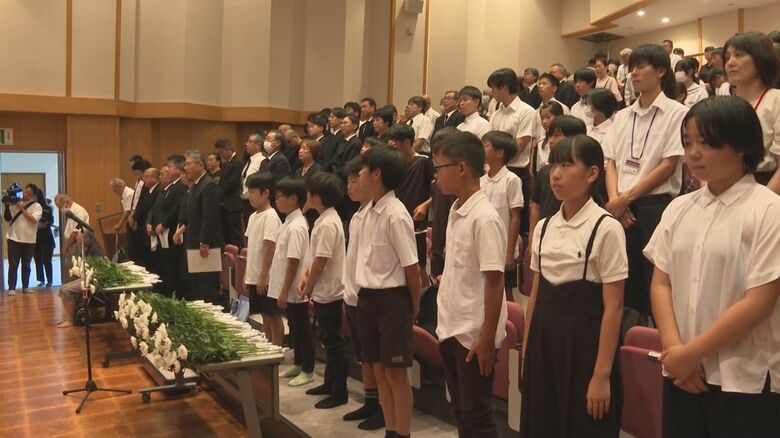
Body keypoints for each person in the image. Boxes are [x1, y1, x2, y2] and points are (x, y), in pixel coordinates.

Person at [643, 96, 780, 438]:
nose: (693, 153)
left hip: (743, 376)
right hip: (681, 372)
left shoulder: (768, 210)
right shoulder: (678, 208)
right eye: (688, 142)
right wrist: (676, 352)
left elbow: (760, 300)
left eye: (707, 142)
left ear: (740, 145)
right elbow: (662, 283)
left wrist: (692, 353)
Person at [521, 134, 627, 438]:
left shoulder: (606, 228)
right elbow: (536, 295)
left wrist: (602, 375)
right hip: (544, 341)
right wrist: (527, 354)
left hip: (585, 347)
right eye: (554, 164)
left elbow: (614, 307)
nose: (555, 174)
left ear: (593, 173)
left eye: (567, 165)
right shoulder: (544, 227)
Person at [602, 43, 688, 321]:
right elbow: (611, 162)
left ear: (661, 70)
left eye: (641, 66)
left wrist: (625, 199)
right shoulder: (623, 115)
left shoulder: (677, 113)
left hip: (654, 206)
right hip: (619, 206)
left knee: (652, 280)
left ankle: (651, 341)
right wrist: (616, 200)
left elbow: (669, 165)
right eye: (632, 67)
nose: (633, 73)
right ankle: (624, 344)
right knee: (618, 279)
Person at [434, 130, 508, 438]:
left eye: (439, 168)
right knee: (461, 410)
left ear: (461, 168)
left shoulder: (484, 217)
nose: (436, 176)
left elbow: (494, 282)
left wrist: (487, 338)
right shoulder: (456, 209)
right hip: (451, 327)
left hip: (474, 335)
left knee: (477, 416)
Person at [356, 145, 422, 438]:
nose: (358, 174)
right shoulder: (369, 211)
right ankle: (391, 429)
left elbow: (412, 267)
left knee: (396, 373)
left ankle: (403, 433)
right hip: (368, 298)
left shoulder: (396, 214)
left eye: (363, 168)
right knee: (379, 370)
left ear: (377, 173)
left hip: (393, 300)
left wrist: (413, 306)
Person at [340, 158, 385, 430]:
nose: (350, 186)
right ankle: (370, 401)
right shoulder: (357, 216)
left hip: (368, 294)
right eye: (348, 182)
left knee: (375, 356)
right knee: (364, 356)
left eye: (355, 180)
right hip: (352, 294)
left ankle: (382, 406)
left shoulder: (376, 214)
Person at [298, 173, 349, 409]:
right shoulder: (323, 219)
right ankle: (329, 383)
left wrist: (308, 285)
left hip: (330, 290)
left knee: (334, 342)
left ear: (316, 197)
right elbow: (315, 257)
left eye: (309, 193)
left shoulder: (329, 223)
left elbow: (322, 260)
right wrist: (306, 276)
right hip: (322, 289)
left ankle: (339, 390)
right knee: (327, 339)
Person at [270, 177, 315, 387]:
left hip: (295, 287)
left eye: (280, 197)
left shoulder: (297, 225)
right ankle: (298, 362)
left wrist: (284, 290)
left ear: (294, 198)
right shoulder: (289, 221)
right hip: (287, 287)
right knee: (295, 327)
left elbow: (293, 261)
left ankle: (308, 368)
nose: (276, 200)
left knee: (302, 327)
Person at [725, 32, 780, 192]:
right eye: (727, 57)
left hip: (764, 187)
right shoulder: (725, 103)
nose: (730, 62)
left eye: (739, 55)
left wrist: (761, 204)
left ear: (761, 59)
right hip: (723, 185)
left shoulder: (775, 100)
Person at [488, 67, 538, 238]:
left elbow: (522, 143)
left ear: (505, 87)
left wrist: (497, 158)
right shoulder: (496, 114)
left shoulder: (526, 111)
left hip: (516, 171)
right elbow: (489, 141)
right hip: (494, 171)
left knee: (515, 220)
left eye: (494, 87)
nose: (491, 92)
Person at [528, 116, 588, 249]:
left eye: (557, 135)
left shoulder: (584, 172)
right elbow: (536, 206)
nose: (551, 141)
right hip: (547, 236)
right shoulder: (544, 172)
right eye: (550, 136)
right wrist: (532, 235)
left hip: (577, 238)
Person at [387, 124, 434, 290]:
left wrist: (426, 205)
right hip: (395, 219)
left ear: (407, 142)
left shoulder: (423, 162)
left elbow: (440, 190)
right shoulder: (393, 164)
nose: (392, 148)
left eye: (395, 144)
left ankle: (425, 304)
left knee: (419, 268)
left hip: (416, 223)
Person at [480, 131, 523, 302]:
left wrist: (509, 251)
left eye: (486, 145)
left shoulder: (511, 180)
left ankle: (512, 325)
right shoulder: (482, 181)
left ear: (500, 152)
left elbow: (515, 216)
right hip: (485, 245)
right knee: (487, 290)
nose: (481, 149)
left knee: (506, 291)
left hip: (503, 246)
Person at [243, 172, 282, 339]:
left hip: (266, 276)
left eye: (253, 192)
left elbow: (269, 247)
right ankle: (268, 343)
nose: (249, 196)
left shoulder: (271, 216)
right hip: (255, 273)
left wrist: (263, 275)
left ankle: (277, 348)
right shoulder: (253, 216)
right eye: (248, 191)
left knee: (273, 314)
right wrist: (247, 272)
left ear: (266, 193)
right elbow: (250, 247)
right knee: (263, 315)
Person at [182, 150, 223, 304]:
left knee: (207, 287)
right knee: (196, 285)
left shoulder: (209, 185)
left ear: (200, 165)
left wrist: (204, 242)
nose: (186, 168)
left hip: (206, 245)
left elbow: (209, 216)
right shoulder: (196, 185)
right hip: (194, 241)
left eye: (189, 164)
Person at [148, 165, 187, 296]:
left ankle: (172, 290)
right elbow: (155, 209)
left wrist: (163, 224)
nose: (161, 176)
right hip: (161, 231)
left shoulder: (178, 188)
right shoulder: (162, 190)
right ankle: (165, 289)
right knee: (163, 264)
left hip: (170, 230)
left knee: (171, 264)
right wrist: (151, 224)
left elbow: (175, 210)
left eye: (165, 173)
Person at [55, 230, 106, 327]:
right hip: (88, 278)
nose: (77, 238)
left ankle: (69, 320)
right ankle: (68, 317)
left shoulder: (95, 249)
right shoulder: (87, 249)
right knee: (63, 288)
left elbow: (102, 267)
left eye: (79, 237)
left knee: (66, 291)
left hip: (94, 280)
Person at [4, 184, 42, 295]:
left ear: (33, 195)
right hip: (13, 238)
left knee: (26, 264)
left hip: (29, 240)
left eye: (29, 193)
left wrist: (21, 207)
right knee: (13, 264)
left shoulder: (37, 206)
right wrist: (7, 204)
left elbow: (33, 220)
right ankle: (12, 287)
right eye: (25, 192)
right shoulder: (14, 203)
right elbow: (8, 218)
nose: (26, 194)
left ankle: (25, 286)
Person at [214, 138, 244, 248]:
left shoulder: (238, 162)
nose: (221, 156)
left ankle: (238, 260)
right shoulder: (227, 163)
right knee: (226, 236)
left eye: (221, 153)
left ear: (227, 150)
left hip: (232, 205)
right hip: (224, 205)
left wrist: (216, 195)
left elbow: (230, 183)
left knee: (235, 236)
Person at [54, 193, 90, 274]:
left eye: (60, 206)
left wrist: (65, 247)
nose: (60, 209)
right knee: (71, 269)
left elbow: (75, 233)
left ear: (66, 202)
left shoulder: (78, 211)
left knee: (76, 269)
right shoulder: (70, 212)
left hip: (77, 243)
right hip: (72, 244)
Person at [258, 130, 293, 205]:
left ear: (277, 143)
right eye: (265, 139)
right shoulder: (264, 161)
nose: (265, 142)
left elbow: (277, 184)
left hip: (274, 202)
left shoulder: (281, 160)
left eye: (268, 139)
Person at [240, 132, 266, 229]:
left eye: (250, 142)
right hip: (245, 201)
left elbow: (262, 182)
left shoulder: (262, 160)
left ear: (258, 145)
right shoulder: (248, 161)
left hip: (255, 202)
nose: (247, 144)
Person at [534, 101, 565, 172]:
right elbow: (538, 171)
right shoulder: (540, 143)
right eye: (542, 118)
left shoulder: (567, 141)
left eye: (548, 117)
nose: (544, 121)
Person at [33, 190, 55, 288]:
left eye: (34, 196)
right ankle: (41, 280)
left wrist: (40, 224)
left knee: (47, 259)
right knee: (37, 259)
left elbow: (49, 221)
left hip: (46, 237)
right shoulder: (31, 208)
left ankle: (49, 280)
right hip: (34, 237)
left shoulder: (46, 208)